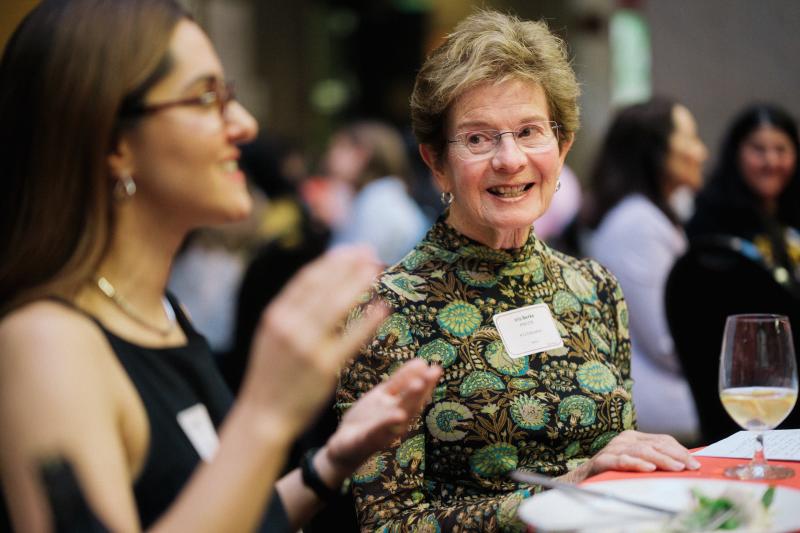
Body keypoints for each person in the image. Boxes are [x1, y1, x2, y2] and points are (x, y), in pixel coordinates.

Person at [0, 1, 441, 531]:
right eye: (207, 98)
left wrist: (329, 463)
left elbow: (218, 511)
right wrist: (267, 414)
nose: (245, 125)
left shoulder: (161, 313)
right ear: (115, 141)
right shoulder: (46, 343)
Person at [336, 11, 700, 532]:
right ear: (436, 162)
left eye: (529, 131)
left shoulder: (595, 288)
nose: (510, 160)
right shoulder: (384, 312)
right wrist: (566, 490)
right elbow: (386, 523)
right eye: (478, 139)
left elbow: (622, 460)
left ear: (562, 146)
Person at [668, 103, 800, 443]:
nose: (771, 161)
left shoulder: (792, 215)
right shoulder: (711, 222)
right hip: (745, 376)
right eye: (759, 149)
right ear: (737, 154)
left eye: (781, 149)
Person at [581, 98, 708, 442]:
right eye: (691, 139)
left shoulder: (652, 215)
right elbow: (667, 343)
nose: (702, 152)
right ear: (657, 151)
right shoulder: (637, 223)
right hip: (662, 410)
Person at [324, 120, 431, 266]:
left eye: (340, 147)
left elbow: (350, 268)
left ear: (361, 154)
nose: (331, 155)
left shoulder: (377, 201)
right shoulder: (383, 195)